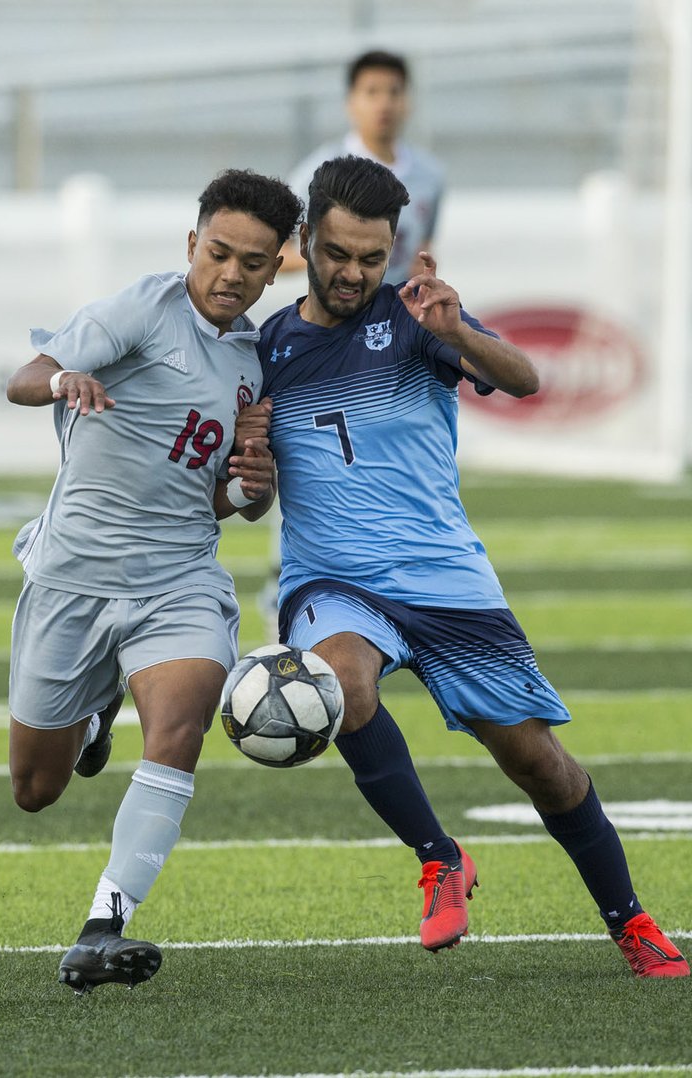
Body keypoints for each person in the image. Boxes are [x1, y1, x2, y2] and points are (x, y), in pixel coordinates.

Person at [255, 155, 688, 978]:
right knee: (339, 686)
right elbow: (244, 500)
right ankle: (438, 855)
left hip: (444, 577)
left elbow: (524, 381)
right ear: (306, 240)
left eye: (371, 257)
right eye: (338, 253)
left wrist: (457, 332)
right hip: (332, 580)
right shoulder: (266, 349)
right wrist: (248, 482)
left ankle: (630, 920)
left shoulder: (419, 315)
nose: (353, 273)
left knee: (539, 766)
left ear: (394, 251)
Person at [5, 168, 303, 995]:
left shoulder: (256, 358)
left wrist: (250, 489)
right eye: (218, 253)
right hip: (73, 579)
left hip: (178, 578)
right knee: (35, 789)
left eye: (252, 262)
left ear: (276, 267)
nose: (231, 274)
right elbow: (22, 379)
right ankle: (99, 705)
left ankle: (104, 924)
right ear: (190, 246)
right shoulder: (140, 309)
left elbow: (221, 495)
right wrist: (63, 379)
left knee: (180, 725)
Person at [280, 49, 444, 284]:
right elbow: (278, 254)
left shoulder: (430, 175)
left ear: (408, 102)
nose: (384, 103)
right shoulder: (318, 171)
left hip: (398, 311)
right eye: (372, 92)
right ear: (351, 102)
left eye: (394, 92)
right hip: (339, 313)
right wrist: (332, 257)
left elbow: (423, 245)